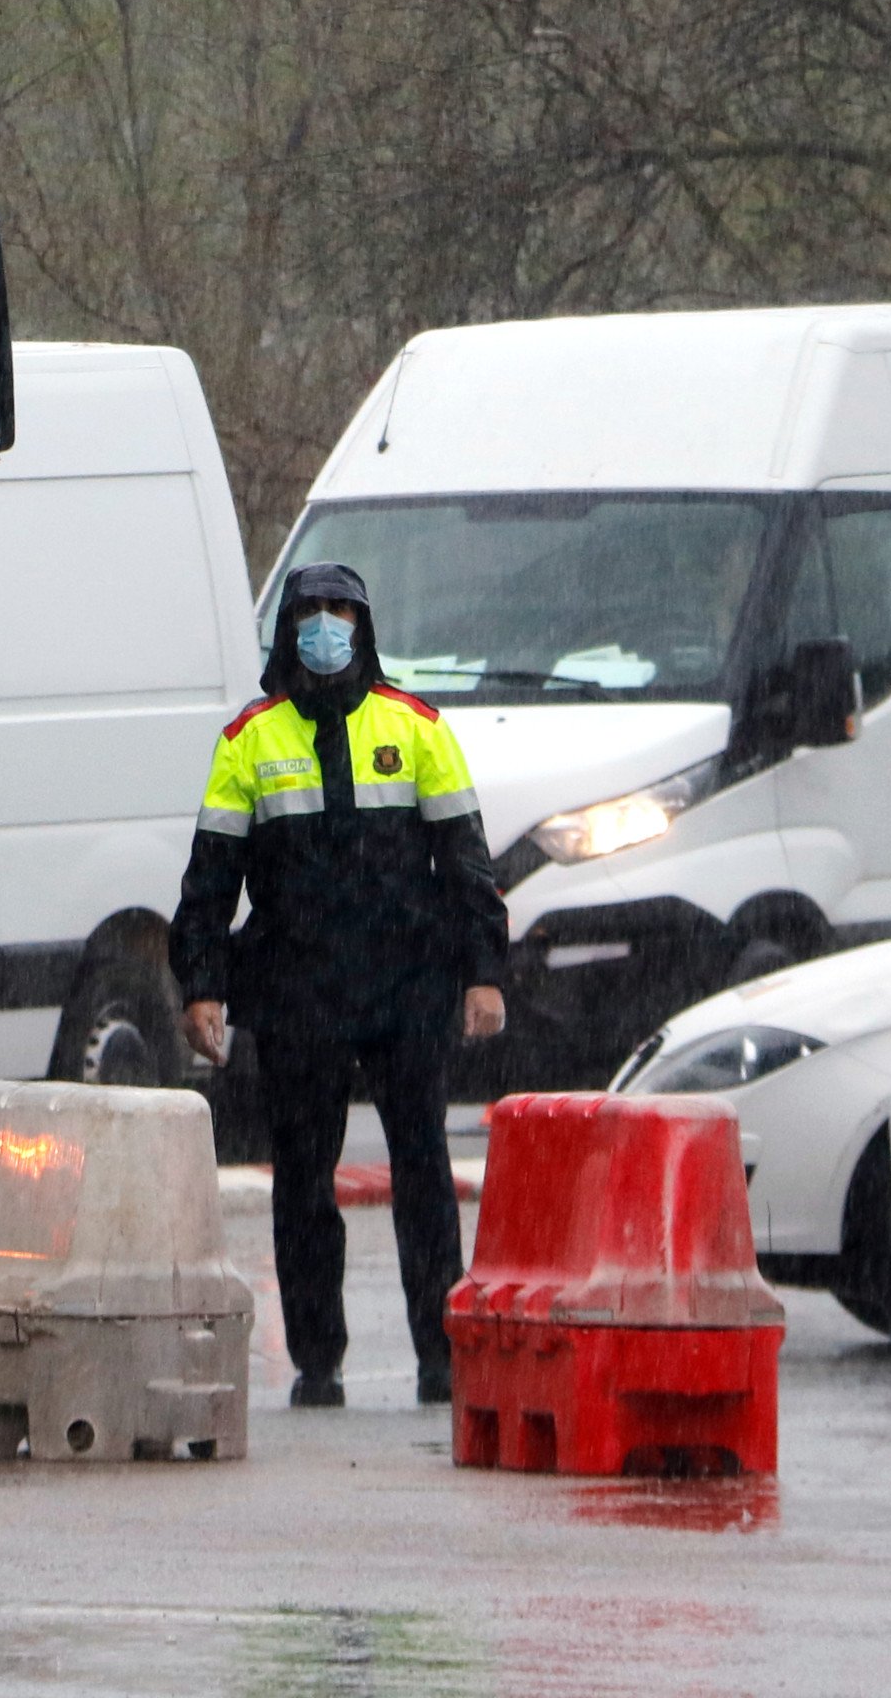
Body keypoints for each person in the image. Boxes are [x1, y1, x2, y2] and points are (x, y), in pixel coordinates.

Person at [170, 560, 509, 1408]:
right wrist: (202, 985)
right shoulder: (249, 739)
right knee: (303, 1180)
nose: (326, 627)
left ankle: (442, 1351)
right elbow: (211, 879)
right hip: (298, 993)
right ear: (287, 627)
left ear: (364, 625)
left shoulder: (419, 727)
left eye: (340, 612)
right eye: (311, 612)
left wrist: (484, 973)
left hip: (407, 987)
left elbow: (468, 864)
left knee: (423, 1173)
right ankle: (317, 1360)